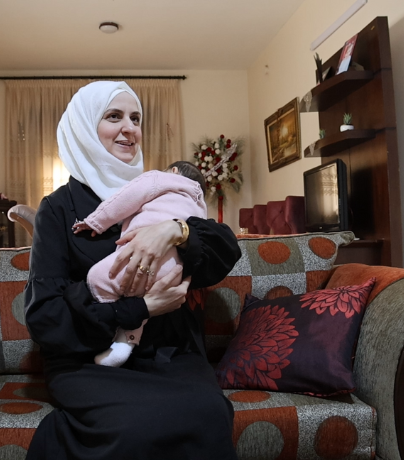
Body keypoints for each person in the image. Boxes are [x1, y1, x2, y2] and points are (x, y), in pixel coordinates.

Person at [24, 81, 241, 460]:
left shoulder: (161, 189)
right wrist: (142, 308)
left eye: (136, 118)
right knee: (137, 426)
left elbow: (224, 249)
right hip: (89, 359)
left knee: (208, 414)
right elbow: (46, 317)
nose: (130, 128)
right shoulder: (59, 208)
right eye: (114, 116)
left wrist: (174, 229)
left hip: (170, 354)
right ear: (84, 127)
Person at [72, 161, 208, 367]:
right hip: (173, 272)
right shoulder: (199, 205)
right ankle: (128, 339)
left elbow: (126, 198)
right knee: (143, 299)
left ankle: (113, 335)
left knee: (97, 279)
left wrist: (95, 221)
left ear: (173, 171)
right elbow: (204, 238)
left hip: (140, 260)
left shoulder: (159, 179)